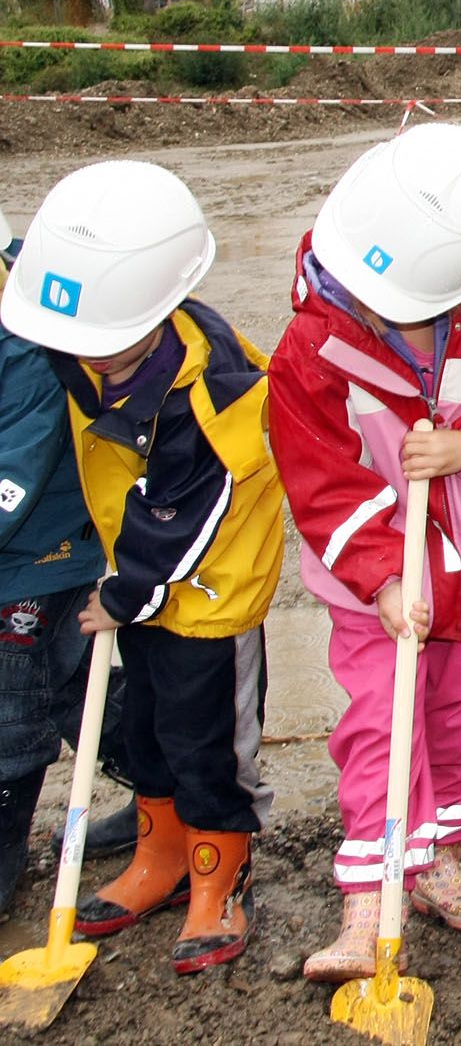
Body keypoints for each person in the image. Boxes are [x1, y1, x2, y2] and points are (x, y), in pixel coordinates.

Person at [266, 125, 461, 982]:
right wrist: (387, 577)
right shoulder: (311, 354)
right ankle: (371, 890)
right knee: (382, 727)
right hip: (381, 593)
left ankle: (436, 857)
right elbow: (321, 485)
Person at [0, 161, 283, 975]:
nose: (81, 363)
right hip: (144, 584)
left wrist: (125, 593)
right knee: (148, 727)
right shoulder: (91, 341)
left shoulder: (214, 392)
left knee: (207, 743)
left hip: (207, 592)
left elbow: (182, 521)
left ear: (157, 309)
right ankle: (159, 857)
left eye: (99, 350)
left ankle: (218, 874)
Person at [0, 207, 100, 916]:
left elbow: (16, 470)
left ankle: (5, 851)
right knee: (68, 688)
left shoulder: (27, 338)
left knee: (15, 703)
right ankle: (161, 776)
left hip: (44, 553)